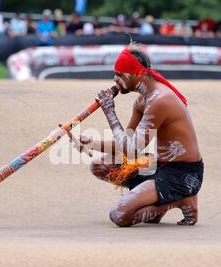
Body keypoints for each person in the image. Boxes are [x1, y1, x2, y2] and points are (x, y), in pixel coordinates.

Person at [77, 43, 204, 227]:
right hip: (158, 166)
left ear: (136, 74)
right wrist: (91, 143)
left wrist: (110, 113)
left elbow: (133, 151)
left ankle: (181, 200)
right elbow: (126, 143)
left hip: (182, 175)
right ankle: (153, 200)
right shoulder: (142, 100)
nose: (115, 79)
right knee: (99, 166)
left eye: (120, 74)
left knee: (119, 215)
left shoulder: (160, 100)